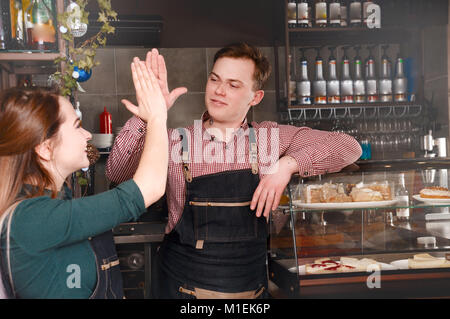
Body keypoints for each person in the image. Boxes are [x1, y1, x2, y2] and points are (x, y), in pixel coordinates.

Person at [106, 43, 362, 299]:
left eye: (233, 85)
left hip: (251, 293)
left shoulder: (269, 138)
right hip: (182, 291)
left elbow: (349, 146)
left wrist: (288, 165)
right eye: (215, 79)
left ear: (255, 97)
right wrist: (150, 116)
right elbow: (117, 173)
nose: (219, 91)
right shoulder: (174, 140)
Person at [0, 58, 168, 298]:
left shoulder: (56, 198)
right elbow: (148, 189)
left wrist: (149, 118)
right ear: (46, 149)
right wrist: (157, 117)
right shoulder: (31, 218)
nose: (88, 134)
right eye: (77, 125)